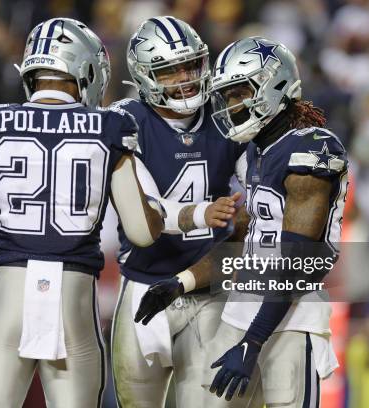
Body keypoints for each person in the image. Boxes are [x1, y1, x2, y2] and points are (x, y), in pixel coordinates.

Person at [0, 18, 231, 408]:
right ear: (86, 70)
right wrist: (166, 209)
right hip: (73, 300)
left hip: (7, 295)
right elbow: (141, 230)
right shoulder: (110, 126)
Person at [134, 36, 349, 407]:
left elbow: (297, 262)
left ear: (273, 84)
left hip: (292, 321)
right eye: (227, 96)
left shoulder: (312, 149)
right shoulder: (254, 152)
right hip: (241, 312)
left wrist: (253, 341)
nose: (232, 105)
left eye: (239, 93)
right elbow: (245, 248)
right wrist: (180, 282)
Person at [110, 16, 247, 408]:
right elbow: (146, 213)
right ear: (145, 76)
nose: (185, 77)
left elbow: (254, 200)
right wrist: (202, 214)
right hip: (143, 285)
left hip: (212, 288)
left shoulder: (226, 115)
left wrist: (247, 213)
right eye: (170, 70)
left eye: (190, 65)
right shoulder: (126, 120)